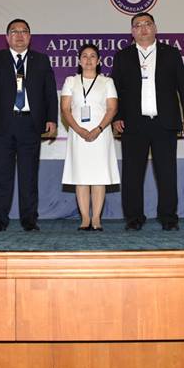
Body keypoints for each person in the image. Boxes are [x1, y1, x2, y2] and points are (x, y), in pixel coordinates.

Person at [111, 12, 184, 231]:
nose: (143, 28)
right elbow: (115, 90)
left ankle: (168, 218)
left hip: (164, 123)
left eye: (147, 24)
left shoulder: (171, 53)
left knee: (167, 173)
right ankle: (134, 218)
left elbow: (183, 84)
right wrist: (117, 116)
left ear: (155, 28)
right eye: (138, 25)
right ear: (132, 32)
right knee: (132, 174)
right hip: (133, 124)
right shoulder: (123, 56)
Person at [0, 18, 58, 231]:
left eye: (24, 31)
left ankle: (29, 220)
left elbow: (50, 93)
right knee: (2, 175)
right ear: (7, 37)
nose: (19, 35)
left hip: (30, 124)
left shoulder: (41, 60)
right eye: (14, 31)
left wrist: (52, 118)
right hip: (2, 125)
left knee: (29, 176)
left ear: (30, 37)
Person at [60, 44, 119, 231]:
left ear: (99, 60)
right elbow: (65, 109)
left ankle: (96, 219)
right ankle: (85, 219)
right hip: (78, 134)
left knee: (99, 177)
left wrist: (98, 129)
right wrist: (79, 130)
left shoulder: (107, 82)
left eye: (93, 56)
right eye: (84, 56)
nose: (88, 60)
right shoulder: (71, 81)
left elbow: (112, 109)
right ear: (79, 61)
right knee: (81, 176)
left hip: (101, 134)